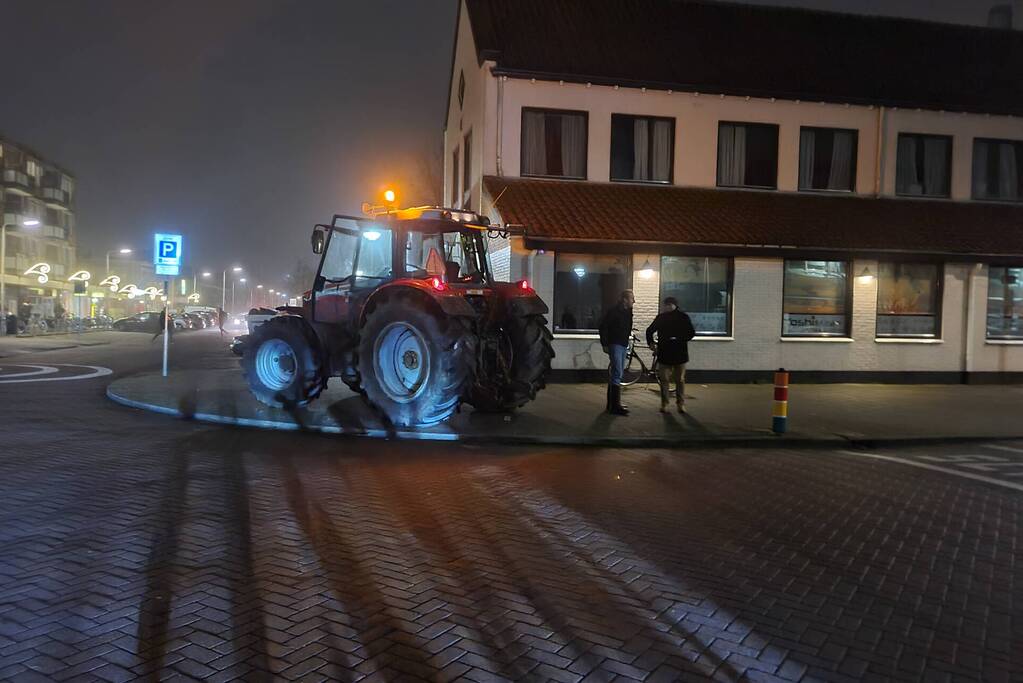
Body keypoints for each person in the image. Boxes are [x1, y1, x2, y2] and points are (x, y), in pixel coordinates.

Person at [645, 297, 696, 413]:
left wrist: (679, 339)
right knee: (665, 380)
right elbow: (649, 330)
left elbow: (691, 332)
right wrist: (651, 343)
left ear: (674, 305)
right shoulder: (663, 317)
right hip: (669, 353)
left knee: (679, 380)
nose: (667, 307)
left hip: (675, 353)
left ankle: (679, 403)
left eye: (669, 305)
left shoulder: (682, 317)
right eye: (666, 305)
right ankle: (666, 404)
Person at [598, 289, 635, 416]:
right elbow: (603, 326)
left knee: (617, 373)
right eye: (631, 298)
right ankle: (615, 406)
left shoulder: (627, 312)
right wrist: (605, 344)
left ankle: (612, 404)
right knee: (617, 373)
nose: (633, 301)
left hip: (622, 343)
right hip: (615, 343)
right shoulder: (614, 311)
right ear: (625, 300)